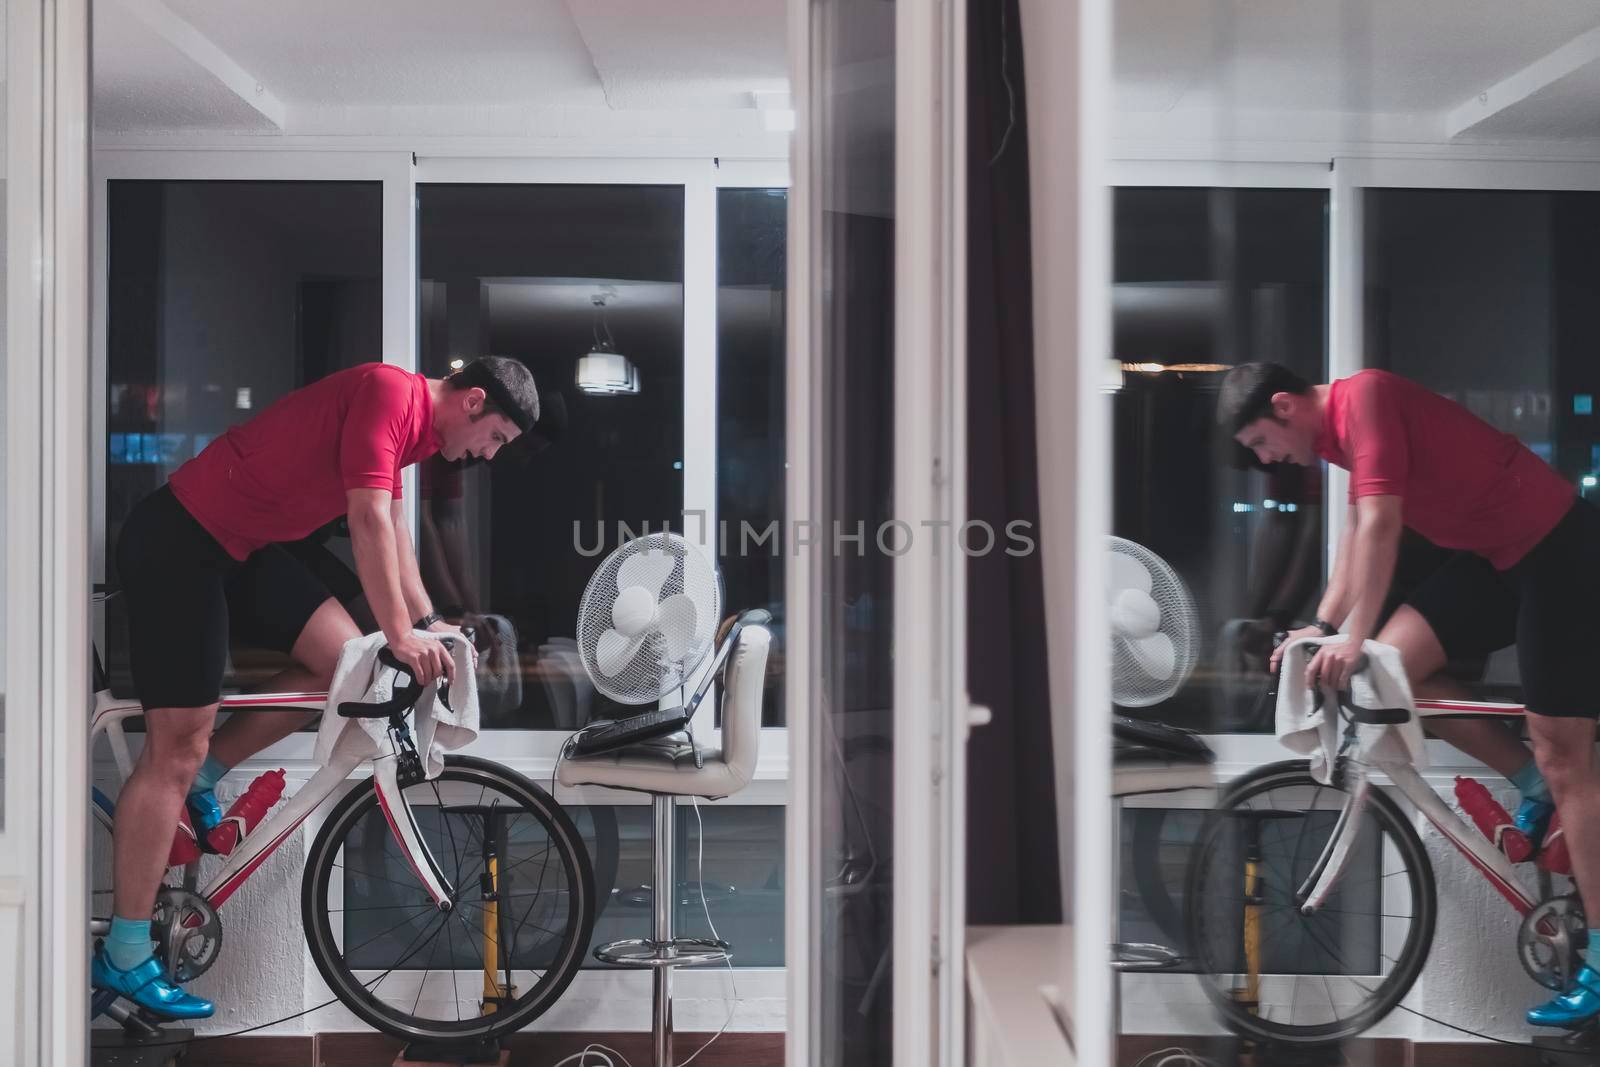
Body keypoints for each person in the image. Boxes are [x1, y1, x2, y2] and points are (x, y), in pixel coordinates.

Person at [95, 357, 539, 1018]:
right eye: (497, 437)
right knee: (173, 748)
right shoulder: (390, 393)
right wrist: (399, 633)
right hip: (179, 540)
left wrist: (425, 623)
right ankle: (127, 953)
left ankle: (207, 775)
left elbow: (392, 530)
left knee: (342, 659)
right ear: (474, 401)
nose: (490, 455)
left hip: (239, 547)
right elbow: (365, 524)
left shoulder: (415, 431)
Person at [1219, 361, 1600, 1027]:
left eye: (1261, 443)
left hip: (1558, 549)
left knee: (1567, 758)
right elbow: (1351, 542)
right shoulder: (1336, 439)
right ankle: (1530, 785)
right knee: (1392, 671)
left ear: (1283, 406)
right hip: (1496, 557)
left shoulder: (1364, 398)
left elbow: (1384, 530)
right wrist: (1324, 626)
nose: (1268, 458)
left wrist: (1352, 634)